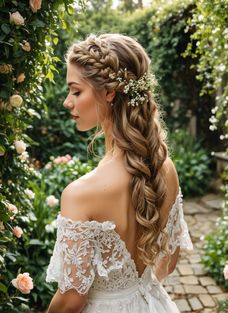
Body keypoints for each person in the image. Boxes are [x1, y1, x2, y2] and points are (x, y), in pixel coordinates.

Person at [46, 33, 193, 313]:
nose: (67, 101)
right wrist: (135, 295)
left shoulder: (80, 194)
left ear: (109, 93)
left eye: (76, 91)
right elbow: (168, 261)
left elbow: (72, 300)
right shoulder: (164, 167)